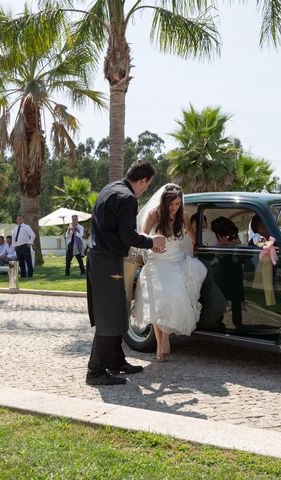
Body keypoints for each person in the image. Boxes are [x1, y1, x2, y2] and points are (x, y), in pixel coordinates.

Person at [86, 160, 166, 386]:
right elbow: (127, 236)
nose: (145, 189)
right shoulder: (127, 198)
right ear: (142, 180)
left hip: (101, 258)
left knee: (119, 310)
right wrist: (153, 241)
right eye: (147, 185)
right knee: (110, 315)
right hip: (107, 261)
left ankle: (116, 361)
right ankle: (95, 371)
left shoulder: (109, 189)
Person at [134, 184, 207, 361]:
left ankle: (164, 338)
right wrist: (152, 241)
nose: (174, 208)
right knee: (158, 303)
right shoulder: (154, 215)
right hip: (157, 261)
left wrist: (197, 243)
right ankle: (161, 343)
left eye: (177, 204)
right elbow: (142, 233)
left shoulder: (183, 216)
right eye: (171, 204)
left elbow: (191, 233)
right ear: (164, 202)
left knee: (173, 297)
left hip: (176, 262)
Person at [211, 216, 244, 328]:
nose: (233, 238)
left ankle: (238, 323)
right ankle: (217, 322)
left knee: (236, 299)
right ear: (220, 236)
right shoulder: (216, 245)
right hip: (221, 272)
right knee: (220, 297)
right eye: (229, 236)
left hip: (235, 270)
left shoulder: (234, 238)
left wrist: (234, 244)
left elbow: (239, 246)